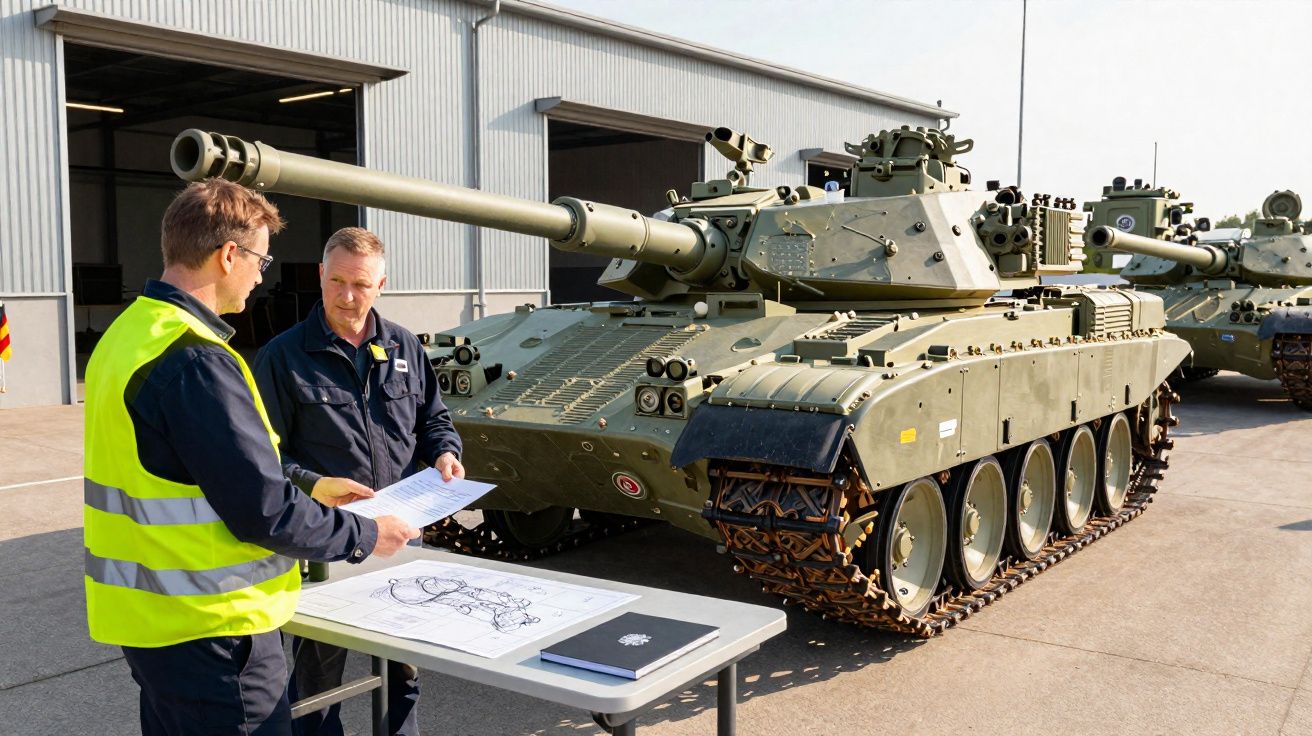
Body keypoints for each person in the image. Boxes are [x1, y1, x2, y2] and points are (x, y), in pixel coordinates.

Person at [83, 179, 421, 736]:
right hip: (216, 634)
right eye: (261, 260)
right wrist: (365, 535)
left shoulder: (128, 334)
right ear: (228, 254)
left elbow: (186, 472)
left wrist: (311, 489)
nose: (262, 274)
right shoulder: (197, 360)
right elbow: (264, 511)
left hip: (150, 626)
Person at [254, 226, 464, 736]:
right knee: (319, 679)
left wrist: (446, 454)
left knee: (403, 669)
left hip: (401, 535)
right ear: (320, 275)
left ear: (381, 284)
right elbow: (262, 458)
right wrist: (310, 482)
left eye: (362, 285)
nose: (348, 297)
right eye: (338, 282)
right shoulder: (283, 358)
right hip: (326, 542)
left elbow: (433, 419)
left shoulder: (404, 346)